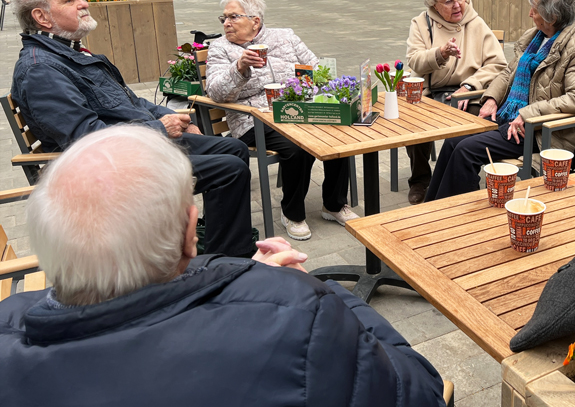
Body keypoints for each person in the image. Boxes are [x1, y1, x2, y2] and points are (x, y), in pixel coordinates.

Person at [0, 126, 447, 407]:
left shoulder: (10, 325)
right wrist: (325, 296)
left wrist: (233, 277)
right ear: (190, 231)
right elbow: (420, 390)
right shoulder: (297, 319)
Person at [10, 0, 255, 258]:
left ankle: (217, 243)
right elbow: (86, 139)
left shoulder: (68, 53)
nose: (84, 3)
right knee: (229, 170)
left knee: (234, 148)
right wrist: (161, 129)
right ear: (42, 16)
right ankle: (229, 263)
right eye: (70, 0)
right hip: (110, 168)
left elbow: (130, 101)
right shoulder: (41, 70)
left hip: (136, 143)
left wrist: (171, 117)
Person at [424, 0, 575, 201]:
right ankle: (433, 207)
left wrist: (527, 114)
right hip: (511, 118)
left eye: (534, 10)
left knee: (466, 150)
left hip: (539, 131)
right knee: (453, 142)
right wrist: (492, 99)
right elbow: (508, 73)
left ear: (552, 17)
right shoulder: (535, 38)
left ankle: (460, 217)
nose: (529, 14)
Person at [206, 0, 359, 240]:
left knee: (337, 132)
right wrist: (240, 67)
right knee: (297, 148)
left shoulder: (284, 36)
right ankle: (292, 213)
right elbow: (215, 92)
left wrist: (306, 83)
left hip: (297, 110)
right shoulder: (220, 48)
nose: (226, 23)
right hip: (253, 119)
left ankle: (333, 204)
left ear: (255, 20)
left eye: (233, 17)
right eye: (223, 18)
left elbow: (316, 67)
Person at [405, 0, 506, 204]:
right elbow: (414, 61)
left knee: (472, 126)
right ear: (434, 4)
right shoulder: (421, 23)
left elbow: (498, 64)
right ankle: (420, 180)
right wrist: (439, 53)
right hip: (431, 92)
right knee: (413, 122)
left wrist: (471, 86)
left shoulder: (476, 22)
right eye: (448, 1)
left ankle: (459, 180)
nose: (457, 5)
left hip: (469, 94)